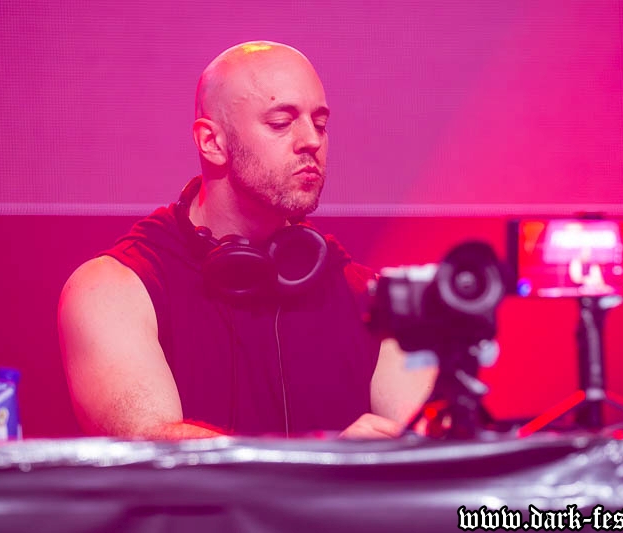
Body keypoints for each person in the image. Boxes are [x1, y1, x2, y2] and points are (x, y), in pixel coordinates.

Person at [58, 41, 436, 440]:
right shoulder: (112, 289)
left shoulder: (371, 300)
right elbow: (155, 452)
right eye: (281, 122)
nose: (312, 140)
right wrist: (329, 464)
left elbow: (436, 451)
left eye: (321, 123)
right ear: (212, 142)